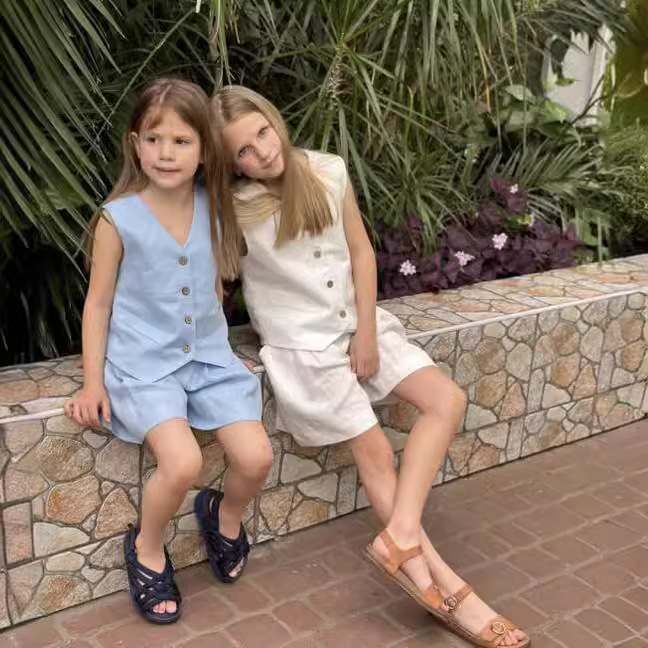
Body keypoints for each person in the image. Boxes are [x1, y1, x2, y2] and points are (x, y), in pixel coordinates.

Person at [209, 85, 530, 648]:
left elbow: (359, 251)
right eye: (244, 151)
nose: (262, 151)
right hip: (304, 347)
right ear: (232, 163)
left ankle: (400, 535)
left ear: (274, 119)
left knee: (446, 401)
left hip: (356, 325)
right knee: (376, 450)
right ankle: (447, 587)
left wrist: (364, 330)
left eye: (262, 132)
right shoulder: (233, 208)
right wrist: (214, 347)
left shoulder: (328, 171)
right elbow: (214, 282)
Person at [64, 79, 272, 625]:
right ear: (136, 144)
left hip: (207, 360)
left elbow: (210, 282)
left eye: (181, 141)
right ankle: (147, 547)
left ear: (204, 149)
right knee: (182, 462)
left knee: (256, 457)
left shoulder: (214, 207)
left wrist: (216, 342)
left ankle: (224, 516)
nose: (166, 153)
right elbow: (97, 306)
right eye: (154, 139)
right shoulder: (118, 219)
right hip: (145, 366)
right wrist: (93, 382)